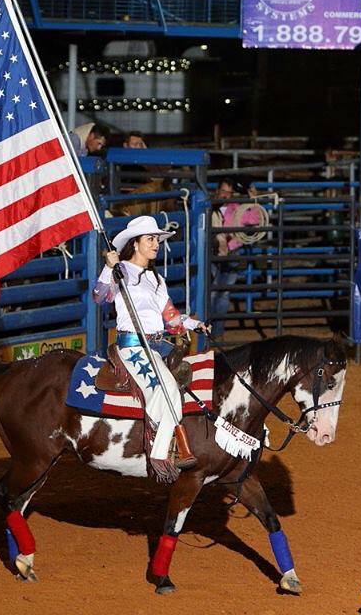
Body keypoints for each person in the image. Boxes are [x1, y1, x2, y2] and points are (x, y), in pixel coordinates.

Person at [93, 215, 208, 480]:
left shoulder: (156, 279)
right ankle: (159, 454)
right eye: (150, 239)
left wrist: (193, 323)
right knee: (166, 388)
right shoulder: (120, 270)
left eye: (157, 239)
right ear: (135, 244)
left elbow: (170, 317)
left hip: (157, 346)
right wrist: (108, 268)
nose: (156, 244)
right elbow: (100, 297)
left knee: (182, 386)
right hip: (133, 346)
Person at [208, 178, 262, 336]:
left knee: (223, 292)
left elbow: (254, 219)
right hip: (214, 251)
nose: (225, 195)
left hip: (231, 251)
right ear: (218, 190)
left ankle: (217, 331)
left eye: (229, 192)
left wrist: (254, 200)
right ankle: (209, 330)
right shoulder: (210, 206)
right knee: (212, 291)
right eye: (223, 191)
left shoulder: (236, 208)